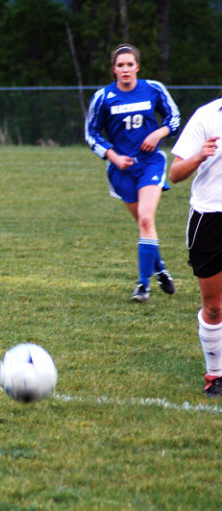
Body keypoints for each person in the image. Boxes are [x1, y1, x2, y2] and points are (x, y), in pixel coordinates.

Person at [85, 43, 180, 302]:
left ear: (137, 66)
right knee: (143, 224)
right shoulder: (103, 97)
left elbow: (174, 118)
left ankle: (142, 286)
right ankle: (160, 269)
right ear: (114, 70)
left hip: (150, 163)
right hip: (121, 170)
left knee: (147, 219)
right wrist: (113, 156)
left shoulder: (153, 89)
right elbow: (91, 133)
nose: (125, 69)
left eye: (129, 64)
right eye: (120, 65)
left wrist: (158, 132)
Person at [168, 98, 222, 397]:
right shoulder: (207, 115)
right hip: (210, 220)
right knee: (214, 307)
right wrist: (199, 156)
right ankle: (215, 374)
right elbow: (174, 174)